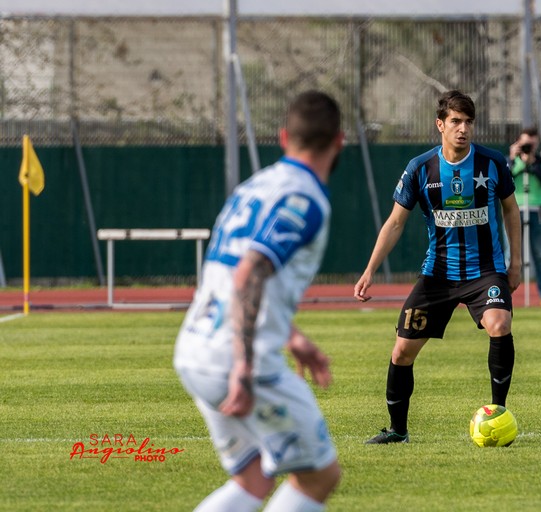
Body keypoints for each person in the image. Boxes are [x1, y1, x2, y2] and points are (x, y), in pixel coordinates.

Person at [173, 90, 344, 512]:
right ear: (340, 141)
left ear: (284, 137)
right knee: (320, 475)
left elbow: (238, 274)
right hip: (236, 359)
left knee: (254, 478)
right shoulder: (305, 198)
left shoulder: (254, 187)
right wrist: (245, 367)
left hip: (194, 348)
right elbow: (248, 272)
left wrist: (291, 335)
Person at [354, 90, 522, 444]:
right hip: (438, 275)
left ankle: (497, 414)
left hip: (485, 271)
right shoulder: (420, 168)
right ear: (440, 125)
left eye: (469, 122)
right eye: (456, 122)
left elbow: (511, 210)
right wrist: (370, 269)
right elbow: (395, 222)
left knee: (500, 323)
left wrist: (516, 262)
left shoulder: (492, 164)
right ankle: (397, 430)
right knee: (401, 351)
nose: (463, 129)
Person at [508, 127, 541, 308]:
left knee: (540, 254)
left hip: (539, 211)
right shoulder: (509, 161)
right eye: (526, 143)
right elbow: (507, 177)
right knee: (509, 254)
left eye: (532, 143)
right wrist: (516, 160)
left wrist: (532, 163)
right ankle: (504, 295)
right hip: (515, 210)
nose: (529, 147)